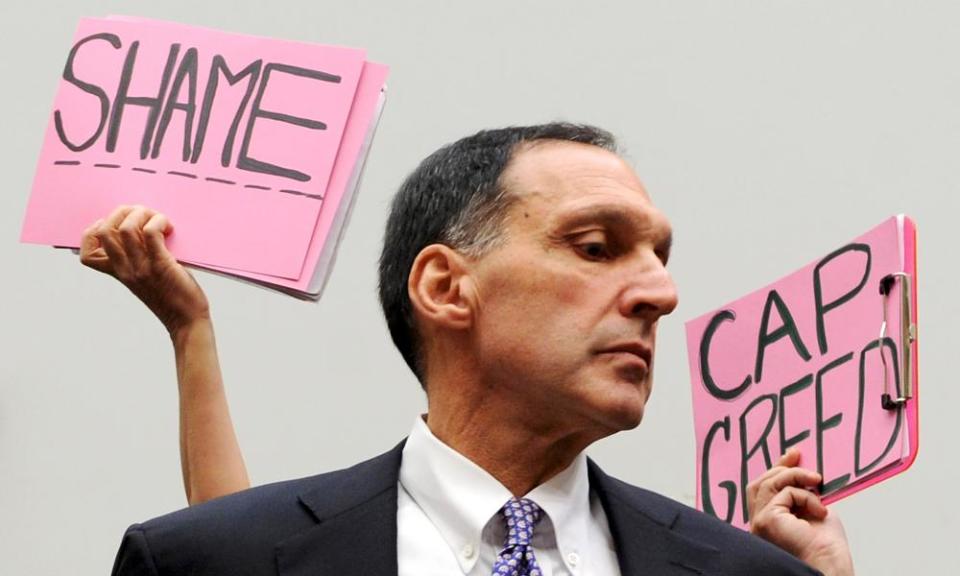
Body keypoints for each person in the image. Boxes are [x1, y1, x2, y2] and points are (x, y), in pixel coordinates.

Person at [87, 123, 854, 575]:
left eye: (659, 255)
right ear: (447, 288)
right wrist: (190, 332)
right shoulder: (211, 562)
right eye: (596, 247)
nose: (661, 292)